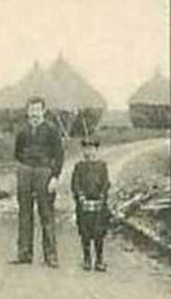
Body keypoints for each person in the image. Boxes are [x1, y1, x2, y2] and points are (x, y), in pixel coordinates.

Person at [12, 95, 64, 267]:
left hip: (44, 172)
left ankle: (51, 256)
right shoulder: (22, 131)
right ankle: (24, 254)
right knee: (24, 213)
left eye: (37, 109)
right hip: (26, 171)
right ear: (27, 112)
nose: (34, 113)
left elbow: (59, 155)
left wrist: (55, 177)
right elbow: (17, 153)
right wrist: (24, 170)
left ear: (43, 111)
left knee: (46, 213)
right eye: (31, 109)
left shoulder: (51, 130)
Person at [71, 134, 112, 272]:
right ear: (83, 151)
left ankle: (99, 259)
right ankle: (87, 259)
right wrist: (80, 197)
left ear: (96, 150)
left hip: (99, 204)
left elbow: (106, 183)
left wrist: (102, 197)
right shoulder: (79, 166)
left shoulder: (102, 166)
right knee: (85, 232)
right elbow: (75, 183)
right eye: (86, 149)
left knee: (99, 232)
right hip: (84, 204)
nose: (89, 152)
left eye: (92, 148)